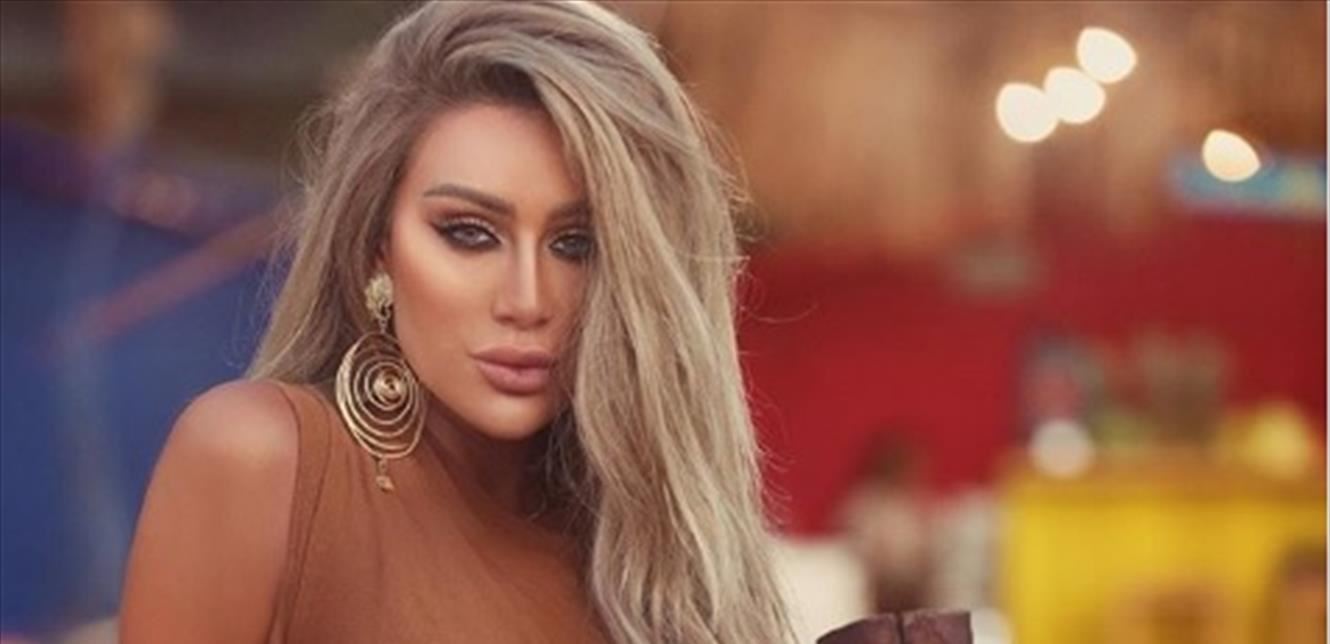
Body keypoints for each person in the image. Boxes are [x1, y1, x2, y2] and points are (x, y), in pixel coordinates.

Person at [118, 2, 795, 643]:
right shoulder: (262, 462)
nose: (527, 299)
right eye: (469, 233)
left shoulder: (648, 549)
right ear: (375, 245)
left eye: (576, 244)